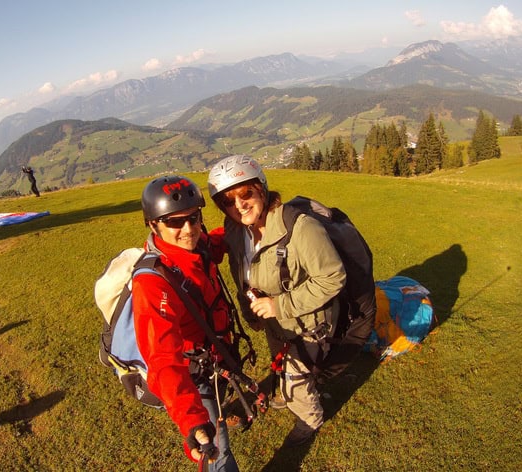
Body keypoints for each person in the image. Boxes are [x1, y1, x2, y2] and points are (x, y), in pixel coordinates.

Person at [207, 155, 375, 448]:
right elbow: (240, 271)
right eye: (227, 200)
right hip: (274, 319)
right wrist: (251, 311)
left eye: (245, 193)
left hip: (309, 321)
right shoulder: (235, 229)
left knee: (296, 378)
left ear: (262, 189)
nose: (239, 205)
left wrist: (278, 306)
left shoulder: (300, 227)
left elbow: (332, 278)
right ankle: (289, 391)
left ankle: (310, 418)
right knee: (284, 366)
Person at [132, 175, 239, 471]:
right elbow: (163, 359)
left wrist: (246, 222)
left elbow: (215, 243)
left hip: (217, 354)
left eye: (193, 218)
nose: (188, 229)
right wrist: (192, 420)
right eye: (174, 222)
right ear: (153, 224)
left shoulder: (198, 245)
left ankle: (221, 409)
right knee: (218, 451)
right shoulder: (153, 284)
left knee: (218, 409)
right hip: (194, 373)